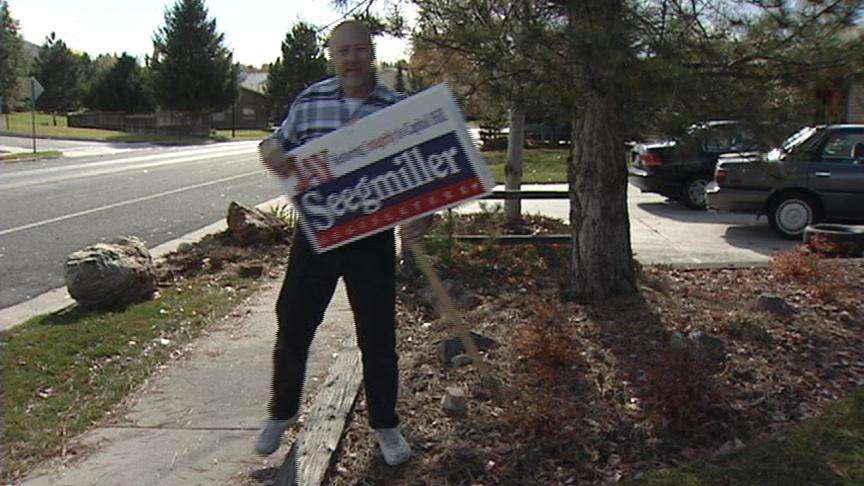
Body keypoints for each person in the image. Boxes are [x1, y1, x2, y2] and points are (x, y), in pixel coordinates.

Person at [255, 20, 428, 467]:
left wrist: (421, 216)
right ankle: (281, 413)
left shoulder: (397, 107)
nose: (351, 59)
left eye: (359, 50)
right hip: (318, 233)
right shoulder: (310, 101)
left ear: (372, 53)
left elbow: (421, 171)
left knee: (377, 334)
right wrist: (270, 149)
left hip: (371, 239)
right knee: (293, 323)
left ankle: (386, 425)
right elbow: (278, 142)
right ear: (332, 55)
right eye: (343, 51)